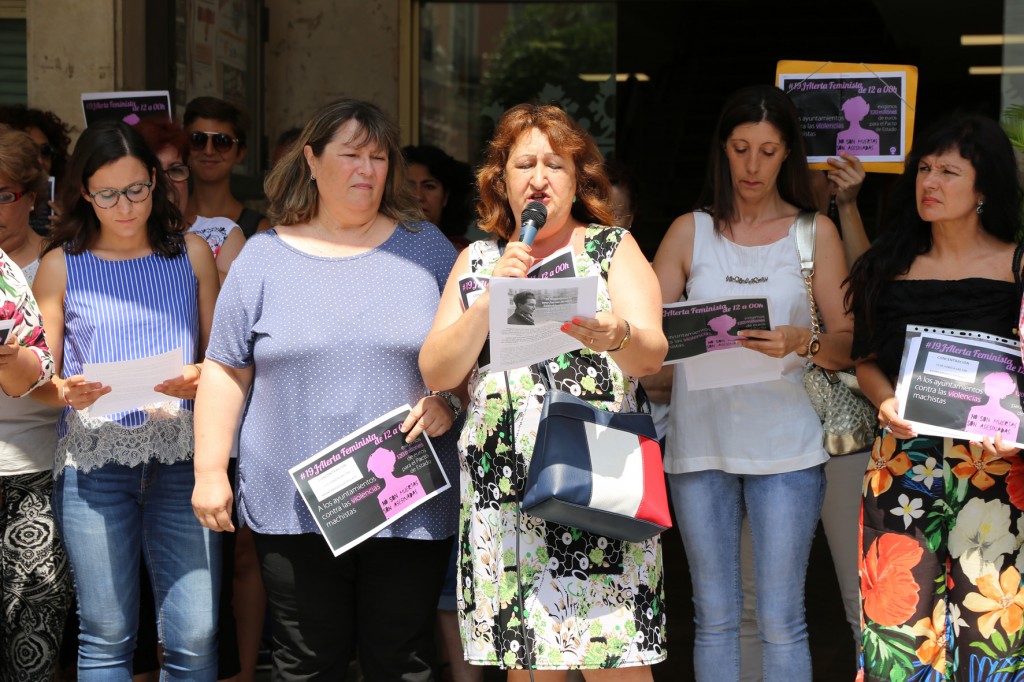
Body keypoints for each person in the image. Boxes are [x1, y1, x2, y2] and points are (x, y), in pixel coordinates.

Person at [191, 98, 461, 681]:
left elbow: (468, 355)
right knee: (307, 661)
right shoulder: (262, 256)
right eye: (351, 155)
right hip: (292, 502)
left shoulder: (430, 249)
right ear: (311, 160)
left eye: (378, 157)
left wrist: (449, 400)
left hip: (406, 493)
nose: (366, 169)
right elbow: (226, 368)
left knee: (402, 658)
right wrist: (210, 470)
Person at [419, 103, 668, 678]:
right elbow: (437, 370)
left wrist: (618, 334)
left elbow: (652, 355)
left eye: (555, 165)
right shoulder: (478, 260)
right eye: (524, 164)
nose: (539, 178)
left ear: (577, 179)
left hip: (594, 480)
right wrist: (489, 299)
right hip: (504, 495)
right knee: (529, 664)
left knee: (616, 658)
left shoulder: (611, 248)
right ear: (500, 180)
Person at [652, 84, 852, 682]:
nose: (753, 166)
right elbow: (643, 336)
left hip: (789, 443)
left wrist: (801, 341)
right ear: (723, 149)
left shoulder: (814, 232)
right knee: (713, 616)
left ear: (788, 154)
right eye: (741, 149)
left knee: (781, 617)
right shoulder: (690, 231)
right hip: (701, 440)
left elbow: (849, 343)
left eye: (768, 151)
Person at [31, 120, 221, 680]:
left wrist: (199, 377)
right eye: (108, 194)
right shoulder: (61, 263)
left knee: (196, 636)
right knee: (106, 634)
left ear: (156, 182)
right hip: (94, 466)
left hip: (183, 461)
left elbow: (225, 363)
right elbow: (40, 380)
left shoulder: (191, 254)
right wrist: (65, 391)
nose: (125, 207)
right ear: (85, 194)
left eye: (136, 189)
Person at [846, 114, 1024, 680]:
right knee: (897, 630)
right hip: (903, 462)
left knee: (993, 631)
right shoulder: (886, 265)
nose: (930, 182)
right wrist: (884, 402)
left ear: (984, 188)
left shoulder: (1018, 266)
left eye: (949, 172)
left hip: (995, 467)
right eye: (924, 169)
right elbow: (865, 358)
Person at [133, 117, 258, 682]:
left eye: (177, 170)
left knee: (203, 598)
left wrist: (203, 371)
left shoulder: (215, 237)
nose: (168, 183)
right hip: (119, 434)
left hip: (198, 434)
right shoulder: (93, 250)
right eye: (155, 172)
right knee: (129, 604)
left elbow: (229, 347)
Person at [0, 129, 72, 680]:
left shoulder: (57, 264)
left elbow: (63, 373)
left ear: (31, 196)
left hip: (36, 469)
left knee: (35, 635)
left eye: (3, 194)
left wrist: (17, 361)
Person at [183, 97, 269, 238]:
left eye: (222, 141)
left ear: (240, 153)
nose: (209, 151)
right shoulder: (166, 219)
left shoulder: (259, 229)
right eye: (197, 139)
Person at [0, 105, 73, 234]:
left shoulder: (68, 204)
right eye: (27, 152)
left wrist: (69, 232)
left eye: (45, 151)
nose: (39, 160)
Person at [402, 144, 474, 250]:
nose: (418, 196)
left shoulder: (465, 253)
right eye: (409, 186)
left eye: (429, 186)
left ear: (445, 197)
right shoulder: (382, 247)